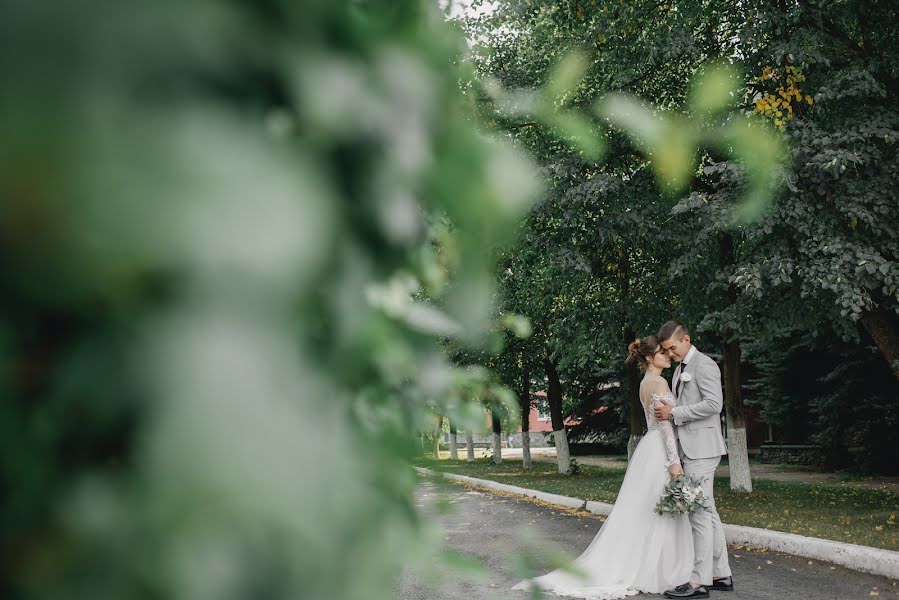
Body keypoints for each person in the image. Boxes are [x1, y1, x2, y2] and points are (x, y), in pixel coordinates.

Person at [512, 336, 693, 600]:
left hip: (648, 448)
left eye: (667, 352)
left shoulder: (645, 383)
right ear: (649, 358)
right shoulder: (659, 382)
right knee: (660, 510)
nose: (667, 355)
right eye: (661, 353)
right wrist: (674, 462)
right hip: (659, 451)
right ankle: (659, 569)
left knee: (646, 510)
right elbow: (665, 426)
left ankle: (650, 565)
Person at [653, 321, 733, 599]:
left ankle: (699, 582)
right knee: (708, 512)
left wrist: (675, 412)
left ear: (686, 339)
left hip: (703, 449)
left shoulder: (704, 365)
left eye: (672, 348)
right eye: (666, 350)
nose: (670, 354)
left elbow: (714, 405)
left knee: (698, 514)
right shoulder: (679, 370)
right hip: (691, 448)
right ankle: (721, 574)